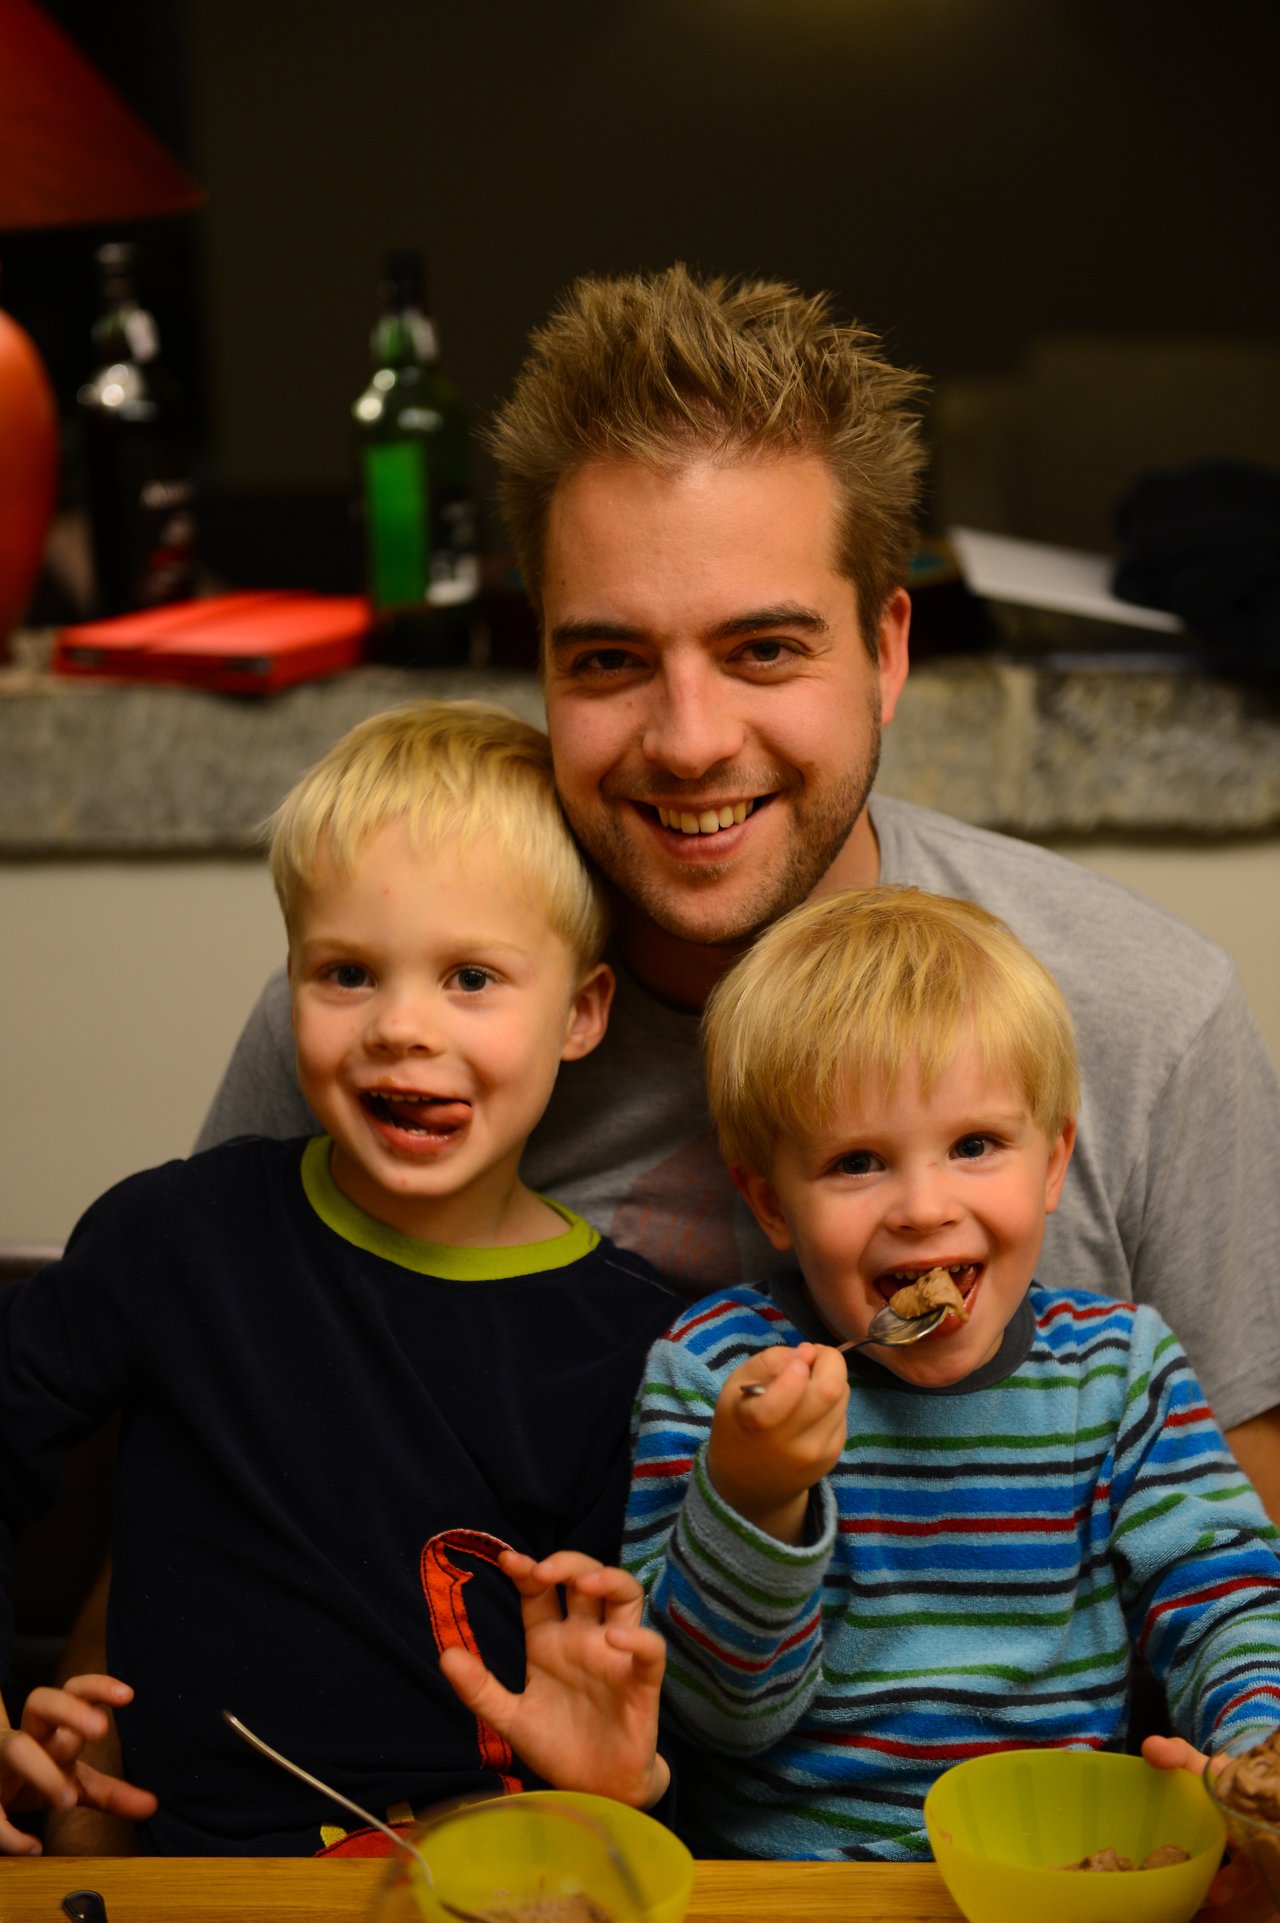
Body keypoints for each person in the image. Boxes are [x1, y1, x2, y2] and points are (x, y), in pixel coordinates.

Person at [197, 265, 1280, 1517]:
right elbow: (198, 1454)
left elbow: (1243, 1560)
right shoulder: (386, 1033)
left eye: (762, 649)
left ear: (883, 652)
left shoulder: (1147, 1022)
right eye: (608, 659)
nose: (690, 741)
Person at [0, 699, 679, 1855]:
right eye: (347, 974)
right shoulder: (174, 1236)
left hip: (471, 1875)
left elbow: (619, 1692)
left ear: (580, 1012)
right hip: (164, 1862)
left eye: (470, 978)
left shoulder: (632, 1343)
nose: (400, 1027)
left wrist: (620, 1785)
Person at [620, 885, 1280, 1875]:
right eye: (855, 1163)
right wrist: (752, 1500)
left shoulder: (1118, 1374)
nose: (923, 1208)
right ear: (768, 1198)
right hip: (786, 1889)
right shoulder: (713, 1380)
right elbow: (717, 1720)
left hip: (1055, 1875)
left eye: (974, 1145)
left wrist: (1254, 1748)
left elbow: (1226, 1597)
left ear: (1051, 1160)